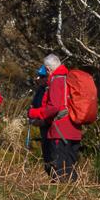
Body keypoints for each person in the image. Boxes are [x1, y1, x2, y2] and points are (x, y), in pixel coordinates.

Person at [29, 53, 81, 181]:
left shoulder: (57, 80)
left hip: (60, 130)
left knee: (60, 170)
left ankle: (62, 192)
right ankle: (72, 191)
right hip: (74, 129)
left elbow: (54, 108)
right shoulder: (68, 78)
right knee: (69, 167)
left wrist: (34, 113)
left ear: (48, 69)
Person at [30, 66, 55, 172]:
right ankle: (51, 173)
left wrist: (42, 120)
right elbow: (34, 106)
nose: (38, 78)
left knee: (53, 155)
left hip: (52, 128)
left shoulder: (53, 89)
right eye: (38, 76)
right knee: (46, 155)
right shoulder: (40, 90)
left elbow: (53, 109)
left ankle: (57, 176)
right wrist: (33, 117)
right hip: (43, 127)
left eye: (42, 76)